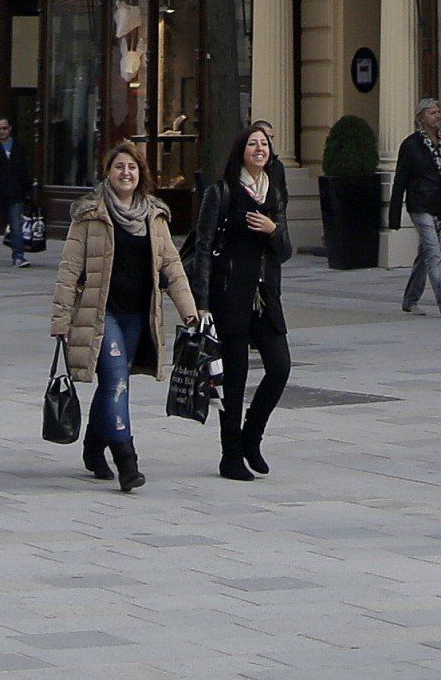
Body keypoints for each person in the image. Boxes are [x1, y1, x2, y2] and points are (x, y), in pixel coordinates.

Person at [46, 138, 197, 492]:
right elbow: (69, 269)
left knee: (114, 384)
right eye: (119, 167)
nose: (125, 172)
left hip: (138, 316)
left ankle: (93, 445)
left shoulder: (154, 215)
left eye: (131, 167)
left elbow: (172, 266)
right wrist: (61, 320)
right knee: (116, 382)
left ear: (140, 173)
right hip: (102, 315)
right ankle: (127, 462)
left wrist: (189, 311)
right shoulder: (90, 214)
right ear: (108, 173)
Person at [193, 118, 294, 484]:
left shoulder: (274, 193)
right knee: (234, 378)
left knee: (280, 367)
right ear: (242, 151)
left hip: (265, 296)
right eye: (253, 143)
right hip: (230, 295)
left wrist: (273, 230)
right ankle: (230, 454)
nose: (260, 148)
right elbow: (203, 248)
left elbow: (285, 252)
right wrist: (200, 302)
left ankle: (252, 436)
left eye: (265, 144)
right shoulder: (221, 192)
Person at [389, 99, 441, 318]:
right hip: (419, 205)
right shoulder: (411, 145)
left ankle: (410, 299)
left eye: (439, 112)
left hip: (440, 205)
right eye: (432, 113)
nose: (438, 116)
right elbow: (400, 180)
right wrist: (394, 215)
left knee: (426, 253)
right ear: (421, 118)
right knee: (435, 253)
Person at [0, 111, 30, 267]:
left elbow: (25, 170)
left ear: (10, 128)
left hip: (14, 193)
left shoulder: (18, 146)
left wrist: (26, 192)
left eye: (4, 128)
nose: (2, 131)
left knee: (16, 226)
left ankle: (18, 256)